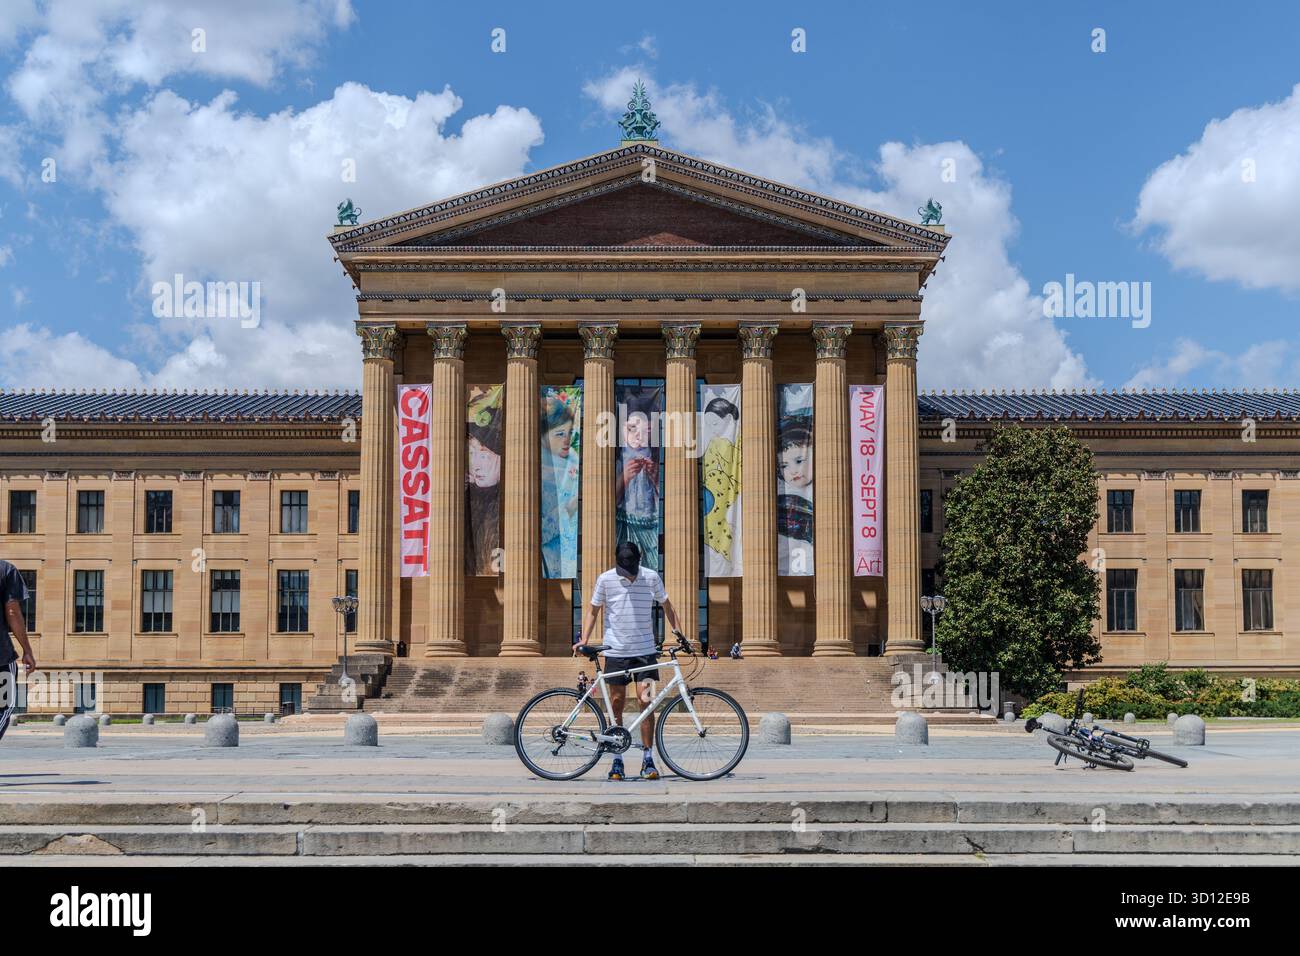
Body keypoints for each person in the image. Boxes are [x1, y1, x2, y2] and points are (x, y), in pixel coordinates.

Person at [574, 541, 682, 781]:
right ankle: (617, 759)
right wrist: (585, 639)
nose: (628, 574)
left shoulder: (651, 577)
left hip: (645, 652)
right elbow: (593, 610)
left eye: (631, 568)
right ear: (617, 563)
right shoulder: (605, 579)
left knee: (647, 703)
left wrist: (678, 633)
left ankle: (647, 758)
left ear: (639, 561)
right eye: (624, 569)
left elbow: (667, 605)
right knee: (616, 703)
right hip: (615, 651)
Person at [0, 560, 37, 743]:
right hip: (1, 658)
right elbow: (12, 611)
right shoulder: (5, 570)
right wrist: (27, 650)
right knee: (4, 707)